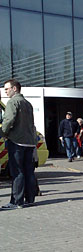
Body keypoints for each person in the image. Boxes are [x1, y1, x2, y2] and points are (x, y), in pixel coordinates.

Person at [1, 79, 37, 209]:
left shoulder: (13, 102)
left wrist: (3, 133)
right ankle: (30, 198)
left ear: (14, 88)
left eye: (7, 89)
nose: (5, 91)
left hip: (16, 141)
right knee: (29, 171)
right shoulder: (28, 104)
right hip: (29, 142)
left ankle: (17, 201)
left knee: (17, 171)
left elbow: (9, 119)